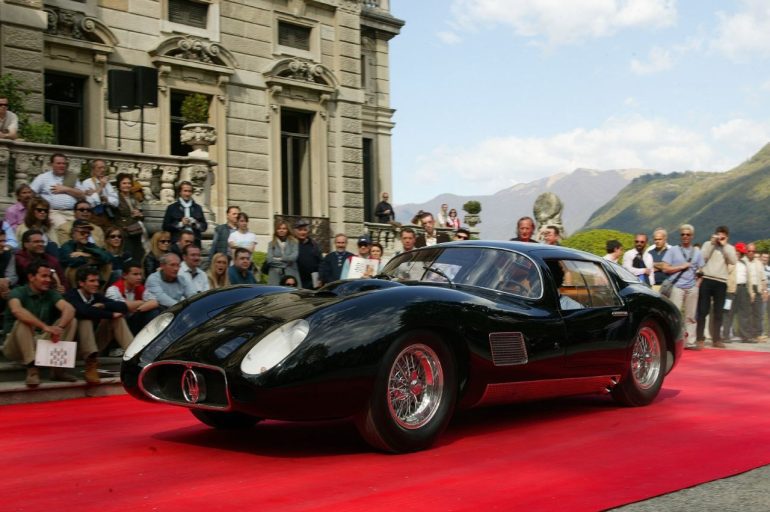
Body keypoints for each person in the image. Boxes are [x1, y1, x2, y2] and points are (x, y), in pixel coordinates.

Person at [3, 261, 78, 387]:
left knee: (71, 321)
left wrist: (59, 328)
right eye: (44, 276)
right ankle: (32, 369)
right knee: (23, 322)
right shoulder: (17, 292)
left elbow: (69, 309)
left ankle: (57, 370)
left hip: (40, 341)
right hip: (15, 345)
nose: (48, 280)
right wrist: (45, 327)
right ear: (31, 277)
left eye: (49, 276)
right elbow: (17, 310)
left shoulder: (51, 293)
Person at [65, 265, 134, 363]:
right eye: (92, 281)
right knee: (85, 320)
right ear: (81, 283)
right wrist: (110, 314)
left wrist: (103, 306)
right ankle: (91, 363)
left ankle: (134, 355)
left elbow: (122, 306)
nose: (96, 284)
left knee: (118, 319)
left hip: (94, 344)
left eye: (97, 281)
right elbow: (84, 311)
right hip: (73, 347)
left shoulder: (96, 296)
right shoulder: (71, 295)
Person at [661, 224, 704, 349]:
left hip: (692, 287)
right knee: (674, 315)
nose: (685, 236)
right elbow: (665, 268)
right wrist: (680, 267)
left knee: (691, 316)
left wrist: (697, 285)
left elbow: (701, 270)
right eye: (683, 234)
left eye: (688, 234)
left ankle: (690, 342)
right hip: (677, 287)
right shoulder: (673, 250)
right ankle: (672, 341)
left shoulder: (697, 252)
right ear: (680, 236)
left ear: (692, 236)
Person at [695, 225, 737, 350]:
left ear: (727, 236)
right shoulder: (708, 244)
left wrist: (724, 246)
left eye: (723, 235)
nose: (720, 237)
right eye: (718, 234)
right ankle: (699, 338)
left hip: (721, 281)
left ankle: (716, 339)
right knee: (702, 311)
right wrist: (712, 244)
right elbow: (702, 258)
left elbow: (733, 261)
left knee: (718, 312)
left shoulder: (729, 248)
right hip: (707, 279)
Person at [29, 153, 85, 226]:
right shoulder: (43, 177)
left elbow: (82, 195)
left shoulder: (72, 177)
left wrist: (66, 189)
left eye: (64, 164)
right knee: (65, 227)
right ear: (52, 164)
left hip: (72, 212)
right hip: (53, 212)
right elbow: (31, 193)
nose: (62, 166)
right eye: (58, 163)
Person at [105, 261, 160, 335]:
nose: (139, 277)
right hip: (119, 324)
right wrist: (141, 303)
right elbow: (121, 306)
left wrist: (137, 310)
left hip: (133, 320)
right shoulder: (113, 289)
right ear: (124, 275)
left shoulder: (139, 288)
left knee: (154, 311)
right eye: (135, 274)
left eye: (140, 274)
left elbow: (155, 302)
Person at [58, 220, 111, 287]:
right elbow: (74, 261)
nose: (86, 235)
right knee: (73, 268)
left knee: (108, 265)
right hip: (72, 282)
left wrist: (86, 254)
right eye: (82, 233)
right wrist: (94, 259)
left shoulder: (90, 245)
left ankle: (99, 292)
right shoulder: (66, 246)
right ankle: (76, 294)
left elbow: (107, 257)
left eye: (88, 233)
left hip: (90, 276)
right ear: (73, 233)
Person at [113, 172, 146, 263]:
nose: (127, 185)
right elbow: (116, 217)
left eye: (129, 183)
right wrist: (131, 217)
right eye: (124, 183)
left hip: (136, 231)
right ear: (119, 185)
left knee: (139, 256)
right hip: (125, 233)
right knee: (128, 257)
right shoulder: (116, 198)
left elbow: (141, 215)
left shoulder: (134, 198)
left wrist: (139, 215)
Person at [79, 159, 118, 227]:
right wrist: (101, 186)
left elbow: (116, 201)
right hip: (93, 216)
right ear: (93, 169)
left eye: (104, 167)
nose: (102, 170)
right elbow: (90, 202)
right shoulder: (87, 182)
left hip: (107, 216)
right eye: (99, 168)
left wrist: (105, 199)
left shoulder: (107, 183)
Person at [294, 218, 322, 289]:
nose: (302, 232)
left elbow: (321, 262)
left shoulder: (314, 245)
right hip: (297, 281)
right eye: (300, 230)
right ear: (295, 231)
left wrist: (320, 278)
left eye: (305, 230)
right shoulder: (292, 244)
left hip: (313, 282)